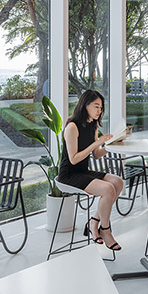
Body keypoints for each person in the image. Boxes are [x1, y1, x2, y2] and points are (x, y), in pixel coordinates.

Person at [58, 89, 126, 251]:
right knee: (108, 189)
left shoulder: (93, 125)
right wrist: (97, 142)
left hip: (84, 171)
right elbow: (73, 159)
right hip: (69, 174)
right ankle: (106, 229)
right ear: (85, 105)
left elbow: (96, 155)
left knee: (118, 182)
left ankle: (93, 222)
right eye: (96, 106)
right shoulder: (72, 127)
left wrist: (112, 145)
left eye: (101, 108)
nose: (99, 110)